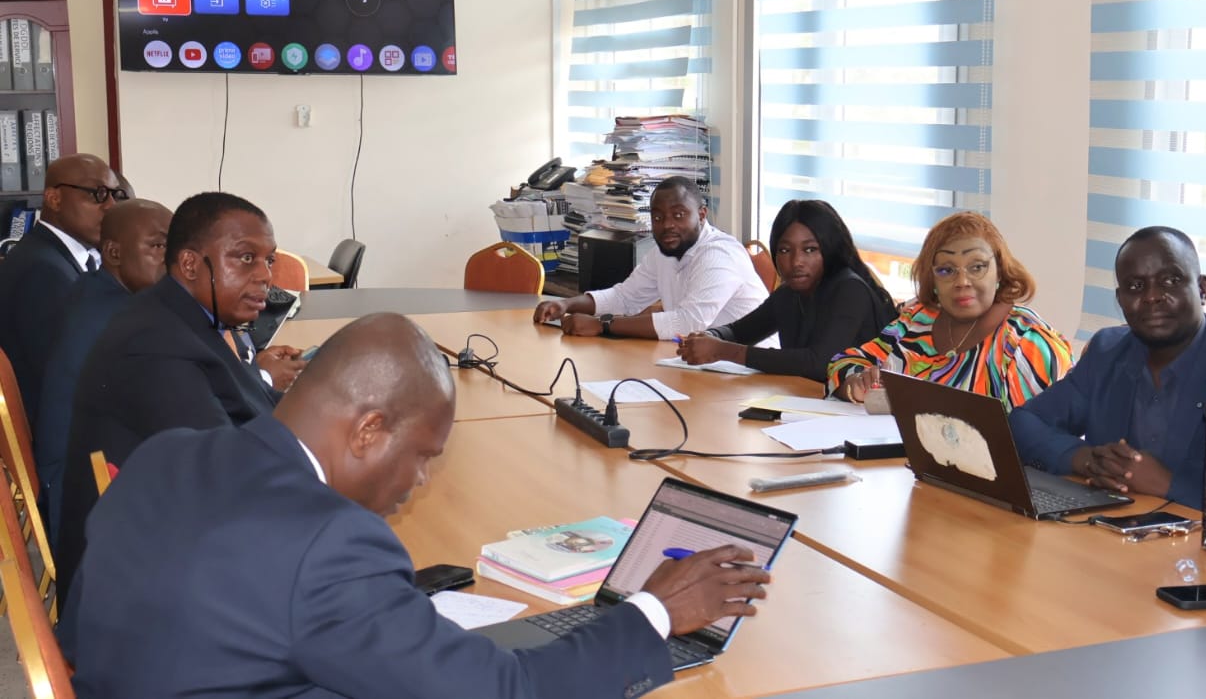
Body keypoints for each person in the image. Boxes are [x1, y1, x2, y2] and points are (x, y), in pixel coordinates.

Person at [58, 314, 771, 698]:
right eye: (425, 454)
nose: (423, 480)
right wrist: (655, 613)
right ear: (369, 430)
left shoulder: (169, 453)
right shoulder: (329, 545)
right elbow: (507, 693)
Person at [56, 191, 307, 606]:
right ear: (190, 264)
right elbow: (227, 478)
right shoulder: (153, 343)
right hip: (145, 589)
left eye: (269, 260)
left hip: (176, 538)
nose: (265, 275)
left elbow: (250, 405)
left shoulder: (183, 317)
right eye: (246, 258)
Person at [1009, 226, 1206, 531]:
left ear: (1202, 289)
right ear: (1120, 299)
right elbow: (1023, 423)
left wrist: (1169, 485)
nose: (1151, 297)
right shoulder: (1107, 352)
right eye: (1136, 286)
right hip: (1106, 539)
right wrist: (1086, 459)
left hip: (1202, 549)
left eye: (1170, 281)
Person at [828, 211, 1072, 411]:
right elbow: (843, 363)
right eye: (946, 270)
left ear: (1000, 272)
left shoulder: (1027, 344)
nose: (962, 281)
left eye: (977, 267)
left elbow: (1037, 440)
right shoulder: (917, 321)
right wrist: (856, 383)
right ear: (932, 279)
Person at [34, 199, 172, 548]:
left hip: (85, 469)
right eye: (158, 247)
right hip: (89, 495)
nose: (172, 260)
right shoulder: (125, 320)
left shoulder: (96, 290)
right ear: (113, 253)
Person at [676, 199, 897, 381]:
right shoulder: (789, 293)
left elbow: (820, 364)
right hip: (806, 401)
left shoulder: (850, 290)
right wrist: (708, 337)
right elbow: (738, 331)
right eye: (784, 250)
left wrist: (722, 351)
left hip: (862, 412)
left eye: (810, 249)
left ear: (830, 249)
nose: (796, 261)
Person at [532, 176, 768, 340]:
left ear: (702, 215)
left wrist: (602, 325)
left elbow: (688, 322)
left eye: (678, 215)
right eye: (658, 218)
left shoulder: (719, 254)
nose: (667, 225)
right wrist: (566, 304)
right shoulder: (665, 251)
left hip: (751, 374)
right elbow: (625, 297)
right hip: (704, 363)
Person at [0, 153, 123, 421]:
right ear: (54, 199)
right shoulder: (42, 271)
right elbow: (70, 376)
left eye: (116, 195)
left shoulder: (68, 258)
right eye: (98, 194)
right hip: (63, 430)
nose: (111, 206)